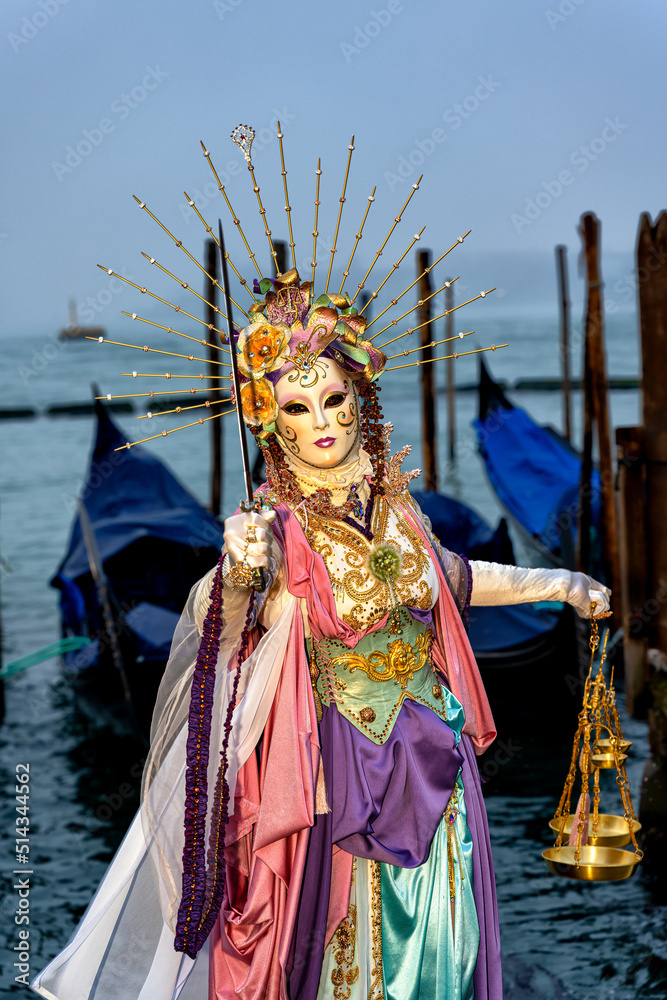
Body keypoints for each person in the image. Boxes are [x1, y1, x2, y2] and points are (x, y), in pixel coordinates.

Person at [32, 268, 610, 1000]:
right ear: (272, 420)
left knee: (444, 938)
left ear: (359, 399)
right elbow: (238, 621)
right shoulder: (275, 531)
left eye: (334, 399)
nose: (323, 421)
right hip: (345, 769)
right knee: (352, 942)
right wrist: (242, 571)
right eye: (298, 407)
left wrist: (560, 583)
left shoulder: (396, 511)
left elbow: (451, 579)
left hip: (439, 752)